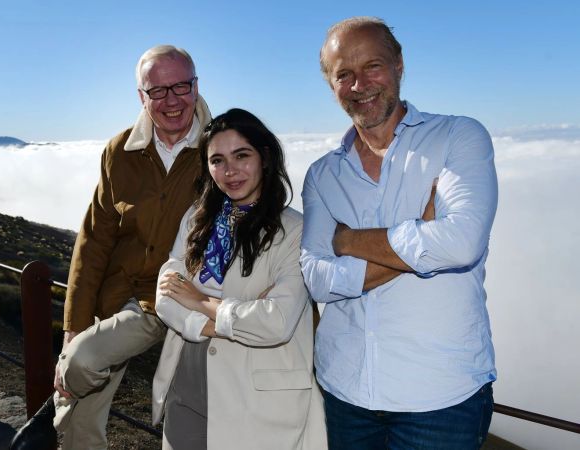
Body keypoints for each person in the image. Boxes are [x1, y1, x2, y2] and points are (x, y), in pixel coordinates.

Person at [300, 17, 498, 449]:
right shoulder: (322, 175)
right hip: (345, 393)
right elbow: (316, 278)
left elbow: (462, 243)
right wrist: (421, 238)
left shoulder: (457, 137)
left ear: (399, 64)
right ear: (331, 85)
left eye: (372, 66)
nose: (359, 85)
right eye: (343, 75)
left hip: (441, 398)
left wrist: (349, 241)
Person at [10, 45, 211, 450]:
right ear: (141, 96)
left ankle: (57, 397)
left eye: (181, 87)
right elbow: (94, 240)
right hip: (118, 294)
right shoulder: (119, 151)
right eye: (157, 91)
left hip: (179, 297)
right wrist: (74, 327)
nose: (171, 100)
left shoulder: (219, 147)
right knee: (79, 420)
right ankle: (64, 400)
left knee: (80, 367)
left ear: (196, 85)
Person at [152, 108, 327, 450]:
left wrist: (202, 301)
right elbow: (166, 293)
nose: (229, 170)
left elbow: (276, 323)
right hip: (186, 386)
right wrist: (227, 317)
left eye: (241, 155)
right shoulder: (198, 218)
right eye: (217, 160)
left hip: (256, 400)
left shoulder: (294, 230)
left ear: (264, 157)